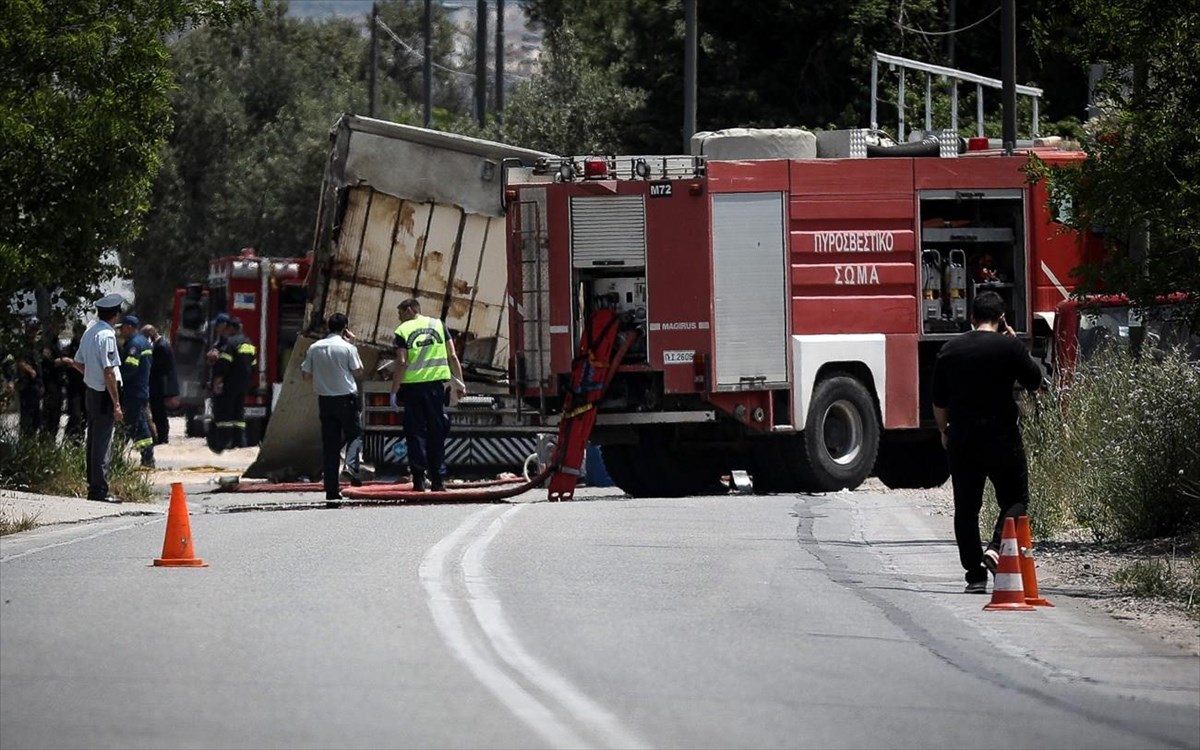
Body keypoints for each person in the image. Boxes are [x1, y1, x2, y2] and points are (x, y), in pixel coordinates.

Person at [932, 290, 1044, 594]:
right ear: (1001, 318)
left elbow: (939, 401)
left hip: (963, 438)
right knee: (1016, 498)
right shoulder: (1008, 348)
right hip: (1002, 437)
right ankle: (996, 548)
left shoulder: (950, 350)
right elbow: (1035, 381)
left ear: (972, 318)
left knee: (966, 508)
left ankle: (974, 575)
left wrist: (945, 431)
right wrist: (1014, 342)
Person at [389, 298, 465, 492]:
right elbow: (453, 355)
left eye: (400, 313)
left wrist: (394, 390)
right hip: (435, 388)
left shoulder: (403, 331)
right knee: (436, 433)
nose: (399, 318)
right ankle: (438, 480)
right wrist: (460, 383)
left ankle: (419, 481)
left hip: (413, 389)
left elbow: (402, 361)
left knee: (415, 434)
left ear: (409, 309)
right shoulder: (438, 324)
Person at [301, 313, 365, 501]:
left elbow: (306, 375)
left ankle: (331, 491)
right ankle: (350, 466)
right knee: (355, 435)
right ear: (345, 328)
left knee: (330, 447)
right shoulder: (347, 348)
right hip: (346, 399)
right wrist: (353, 345)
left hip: (325, 401)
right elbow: (359, 371)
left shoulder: (315, 348)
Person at [72, 294, 126, 503]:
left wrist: (90, 376)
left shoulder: (89, 332)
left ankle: (93, 485)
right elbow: (109, 372)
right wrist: (117, 403)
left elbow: (77, 362)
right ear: (115, 315)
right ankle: (99, 489)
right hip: (104, 393)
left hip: (91, 391)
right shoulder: (107, 336)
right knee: (102, 442)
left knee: (93, 440)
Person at [210, 316, 255, 451]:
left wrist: (217, 381)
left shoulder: (230, 344)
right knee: (239, 414)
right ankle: (239, 442)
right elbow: (253, 366)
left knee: (226, 414)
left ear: (231, 328)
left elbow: (224, 364)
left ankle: (225, 442)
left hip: (230, 384)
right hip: (244, 385)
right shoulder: (249, 344)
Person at [118, 315, 155, 468]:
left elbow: (130, 368)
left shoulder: (134, 344)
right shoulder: (143, 342)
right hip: (140, 390)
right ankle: (116, 455)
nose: (120, 331)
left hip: (133, 391)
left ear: (129, 327)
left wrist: (116, 375)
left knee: (139, 425)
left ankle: (147, 458)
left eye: (122, 327)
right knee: (127, 424)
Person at [142, 324, 179, 445]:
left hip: (160, 386)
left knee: (159, 413)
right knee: (158, 412)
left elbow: (158, 367)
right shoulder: (161, 344)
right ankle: (162, 437)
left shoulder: (161, 346)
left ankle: (163, 438)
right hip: (159, 385)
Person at [40, 322, 72, 440]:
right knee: (49, 415)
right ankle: (45, 441)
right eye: (57, 326)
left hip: (58, 383)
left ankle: (51, 440)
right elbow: (50, 362)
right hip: (50, 383)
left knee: (56, 414)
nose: (58, 329)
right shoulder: (47, 343)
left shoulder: (57, 342)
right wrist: (65, 360)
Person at [14, 317, 43, 437]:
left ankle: (31, 443)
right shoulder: (22, 344)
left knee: (36, 418)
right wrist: (29, 370)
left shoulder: (35, 346)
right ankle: (25, 443)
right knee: (27, 418)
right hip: (26, 386)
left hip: (35, 386)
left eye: (35, 330)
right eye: (31, 329)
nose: (33, 332)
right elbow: (18, 360)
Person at [63, 321, 88, 440]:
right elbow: (65, 363)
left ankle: (78, 439)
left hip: (86, 386)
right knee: (75, 415)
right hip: (74, 387)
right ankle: (72, 439)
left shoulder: (87, 347)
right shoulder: (70, 347)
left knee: (84, 416)